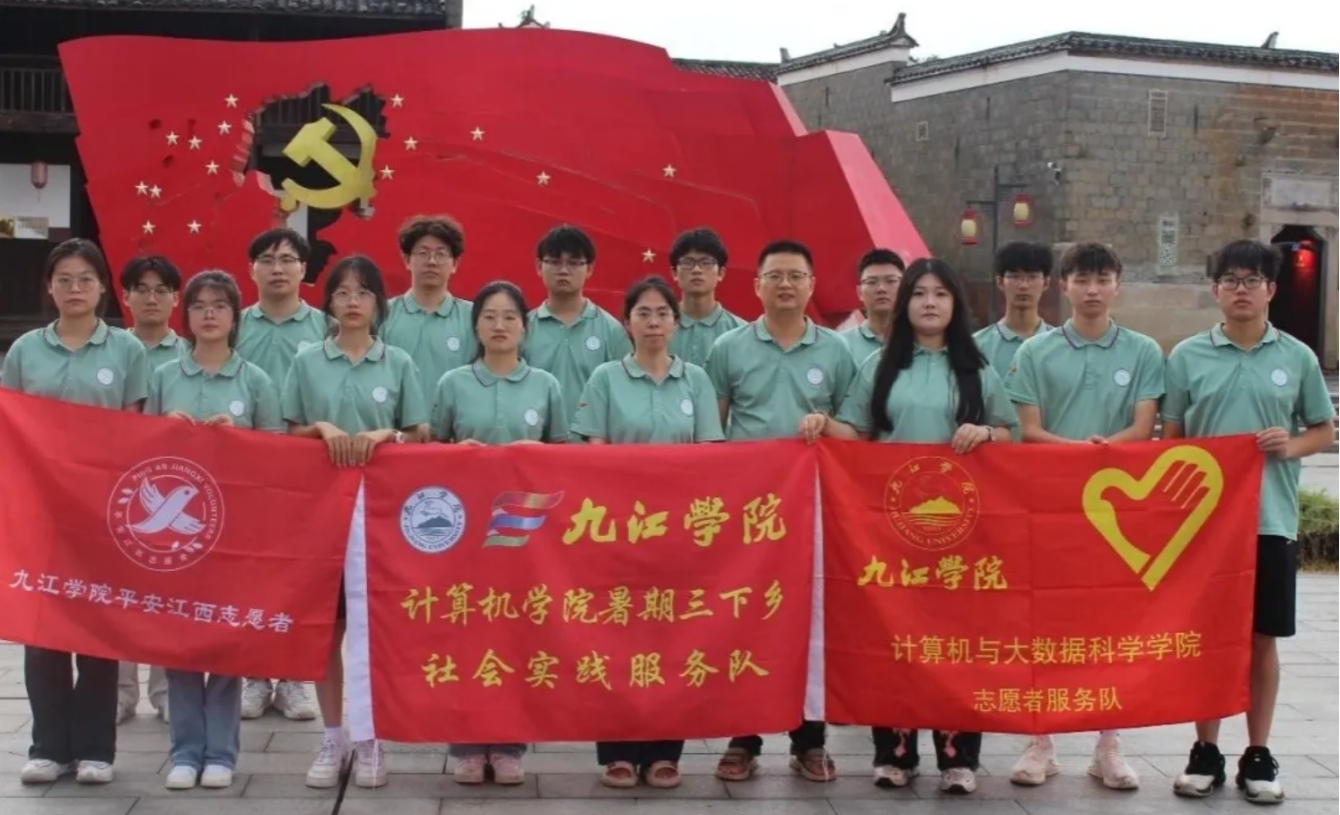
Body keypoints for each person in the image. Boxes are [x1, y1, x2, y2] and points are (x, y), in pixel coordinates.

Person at [825, 258, 1013, 794]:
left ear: (956, 304)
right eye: (920, 294)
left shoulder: (976, 368)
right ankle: (895, 752)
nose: (930, 303)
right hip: (891, 530)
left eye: (941, 294)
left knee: (957, 642)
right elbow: (857, 432)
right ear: (905, 304)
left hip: (962, 532)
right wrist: (822, 424)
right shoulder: (880, 366)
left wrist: (986, 434)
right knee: (895, 638)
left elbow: (1011, 433)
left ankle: (958, 756)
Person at [1164, 240, 1336, 805]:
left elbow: (1323, 430)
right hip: (1205, 527)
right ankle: (1205, 750)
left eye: (1253, 280)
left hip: (1270, 521)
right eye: (1231, 280)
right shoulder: (1187, 356)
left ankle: (1257, 753)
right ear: (1214, 289)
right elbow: (1172, 439)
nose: (1242, 289)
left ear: (1271, 290)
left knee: (1263, 639)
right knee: (1208, 639)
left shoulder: (1297, 357)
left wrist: (1290, 446)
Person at [1005, 241, 1164, 790]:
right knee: (1044, 624)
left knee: (1113, 628)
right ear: (1063, 286)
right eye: (1082, 280)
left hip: (1116, 515)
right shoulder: (1036, 352)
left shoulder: (1143, 351)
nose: (1092, 290)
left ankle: (1108, 744)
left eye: (1102, 279)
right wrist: (1082, 454)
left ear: (1118, 285)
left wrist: (1103, 454)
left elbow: (1143, 427)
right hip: (1049, 507)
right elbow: (1028, 429)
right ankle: (1040, 740)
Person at [705, 239, 856, 783]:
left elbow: (855, 431)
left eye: (796, 275)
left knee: (810, 620)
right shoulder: (728, 348)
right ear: (757, 285)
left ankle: (809, 740)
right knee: (745, 615)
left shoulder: (837, 351)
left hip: (814, 507)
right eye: (775, 276)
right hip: (749, 510)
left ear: (811, 285)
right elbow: (712, 430)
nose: (786, 284)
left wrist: (826, 425)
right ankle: (742, 737)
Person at [3, 239, 150, 786]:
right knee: (41, 628)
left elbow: (134, 431)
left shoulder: (126, 350)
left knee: (95, 628)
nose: (74, 288)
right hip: (39, 513)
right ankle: (47, 747)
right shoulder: (25, 351)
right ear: (49, 287)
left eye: (85, 279)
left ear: (102, 288)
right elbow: (11, 428)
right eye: (63, 279)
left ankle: (95, 750)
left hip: (101, 514)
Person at [282, 254, 428, 790]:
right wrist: (320, 427)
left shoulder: (399, 363)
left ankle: (371, 738)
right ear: (328, 303)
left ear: (378, 303)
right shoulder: (306, 362)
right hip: (320, 517)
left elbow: (421, 433)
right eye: (342, 293)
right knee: (329, 628)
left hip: (381, 520)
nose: (352, 302)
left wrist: (386, 435)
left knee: (374, 629)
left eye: (363, 292)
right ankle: (333, 735)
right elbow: (286, 432)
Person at [573, 275, 724, 789]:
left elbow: (710, 453)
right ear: (627, 323)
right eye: (643, 313)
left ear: (676, 324)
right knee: (614, 637)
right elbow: (593, 450)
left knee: (673, 638)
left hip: (678, 533)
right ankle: (616, 752)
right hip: (617, 531)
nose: (654, 322)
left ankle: (665, 752)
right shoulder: (605, 378)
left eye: (663, 313)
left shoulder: (696, 380)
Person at [146, 271, 283, 791]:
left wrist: (238, 440)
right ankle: (184, 751)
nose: (209, 314)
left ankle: (221, 752)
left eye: (220, 305)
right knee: (179, 640)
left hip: (234, 531)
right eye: (200, 305)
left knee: (225, 639)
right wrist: (166, 432)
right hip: (174, 537)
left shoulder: (256, 380)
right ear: (186, 316)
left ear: (234, 316)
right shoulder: (164, 376)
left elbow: (277, 458)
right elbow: (138, 451)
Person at [432, 281, 563, 786]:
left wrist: (537, 457)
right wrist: (454, 455)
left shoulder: (545, 385)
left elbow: (564, 459)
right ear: (476, 326)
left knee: (517, 636)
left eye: (510, 317)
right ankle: (466, 746)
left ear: (525, 328)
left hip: (526, 536)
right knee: (466, 633)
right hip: (465, 535)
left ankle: (509, 746)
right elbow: (428, 456)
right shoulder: (453, 383)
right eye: (489, 316)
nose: (500, 325)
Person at [235, 227, 325, 723]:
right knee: (250, 576)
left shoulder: (325, 327)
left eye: (288, 259)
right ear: (251, 269)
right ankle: (254, 676)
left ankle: (294, 678)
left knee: (300, 578)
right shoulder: (234, 324)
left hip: (306, 473)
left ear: (303, 270)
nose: (277, 268)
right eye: (267, 259)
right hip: (245, 472)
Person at [115, 254, 184, 725]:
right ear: (125, 296)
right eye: (142, 289)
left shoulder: (193, 354)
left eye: (162, 289)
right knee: (118, 594)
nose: (152, 298)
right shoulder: (111, 350)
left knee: (168, 594)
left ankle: (167, 691)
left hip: (172, 494)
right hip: (117, 489)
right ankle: (120, 693)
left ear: (176, 299)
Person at [523, 224, 632, 426]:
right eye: (554, 262)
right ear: (539, 266)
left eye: (573, 263)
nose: (563, 270)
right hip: (535, 440)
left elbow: (625, 396)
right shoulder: (523, 328)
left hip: (591, 441)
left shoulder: (611, 330)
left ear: (589, 269)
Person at [382, 215, 476, 425]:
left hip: (452, 436)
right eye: (423, 253)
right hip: (396, 435)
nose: (431, 261)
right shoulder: (383, 314)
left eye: (441, 254)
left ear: (455, 263)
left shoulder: (473, 318)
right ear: (407, 260)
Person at [972, 241, 1054, 377]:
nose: (1024, 285)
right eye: (1015, 277)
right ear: (1000, 282)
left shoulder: (1061, 345)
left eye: (1032, 277)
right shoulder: (977, 346)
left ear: (1046, 283)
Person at [666, 227, 745, 366]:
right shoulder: (658, 328)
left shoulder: (741, 332)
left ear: (721, 273)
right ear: (674, 273)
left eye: (706, 262)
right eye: (687, 262)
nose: (697, 270)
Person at [840, 249, 904, 363]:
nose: (881, 289)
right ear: (859, 292)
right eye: (872, 282)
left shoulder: (922, 342)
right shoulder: (841, 345)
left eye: (890, 281)